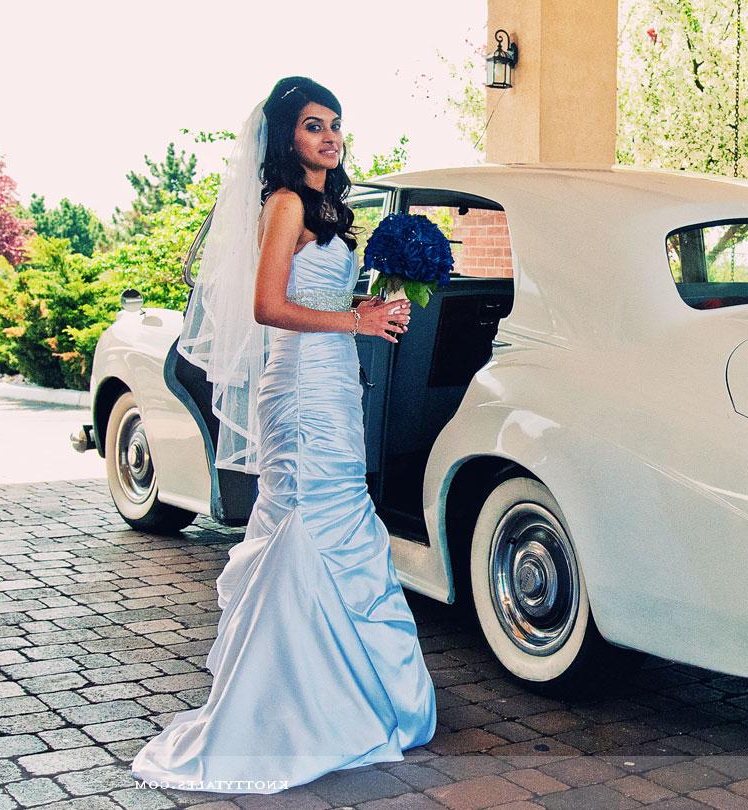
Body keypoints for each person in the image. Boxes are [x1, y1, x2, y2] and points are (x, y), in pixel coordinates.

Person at [130, 76, 437, 794]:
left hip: (331, 382)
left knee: (340, 523)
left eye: (334, 123)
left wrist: (367, 303)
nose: (330, 136)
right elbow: (269, 306)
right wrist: (354, 322)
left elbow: (316, 295)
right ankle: (287, 712)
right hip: (298, 389)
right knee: (312, 522)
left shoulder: (329, 206)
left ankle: (345, 697)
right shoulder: (286, 202)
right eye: (312, 125)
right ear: (285, 137)